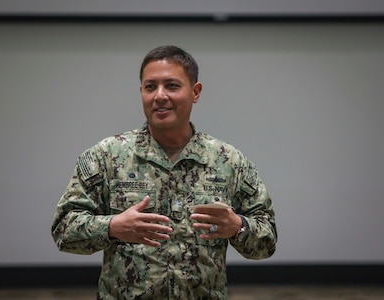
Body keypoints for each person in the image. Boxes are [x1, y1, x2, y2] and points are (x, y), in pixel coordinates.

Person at [51, 45, 277, 300]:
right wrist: (112, 227)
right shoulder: (106, 157)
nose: (159, 96)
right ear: (141, 93)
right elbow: (63, 229)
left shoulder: (229, 161)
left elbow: (267, 240)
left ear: (195, 92)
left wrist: (238, 227)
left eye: (171, 86)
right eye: (150, 87)